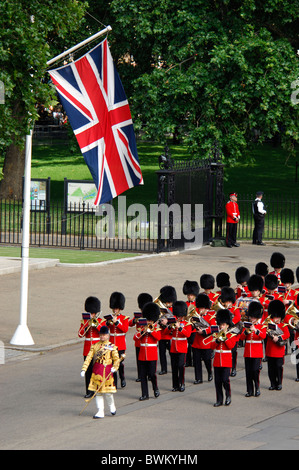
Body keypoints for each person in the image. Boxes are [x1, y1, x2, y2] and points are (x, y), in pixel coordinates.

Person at [80, 325, 121, 419]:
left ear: (108, 335)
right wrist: (84, 369)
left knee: (108, 393)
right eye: (101, 335)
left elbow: (116, 359)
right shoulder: (95, 346)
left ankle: (111, 406)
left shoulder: (112, 347)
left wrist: (115, 367)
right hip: (97, 371)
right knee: (98, 393)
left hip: (107, 371)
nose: (102, 337)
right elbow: (89, 358)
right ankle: (100, 411)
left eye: (104, 335)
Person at [133, 302, 162, 401]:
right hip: (142, 354)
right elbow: (135, 338)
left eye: (150, 320)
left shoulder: (156, 328)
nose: (149, 322)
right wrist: (143, 332)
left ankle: (155, 388)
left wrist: (151, 331)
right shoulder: (142, 327)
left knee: (152, 374)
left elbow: (158, 337)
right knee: (143, 375)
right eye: (148, 319)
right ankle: (145, 394)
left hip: (152, 354)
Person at [210, 309, 238, 407]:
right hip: (217, 360)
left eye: (223, 325)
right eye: (220, 325)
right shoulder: (216, 334)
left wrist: (225, 338)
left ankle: (228, 396)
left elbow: (230, 346)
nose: (221, 327)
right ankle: (219, 399)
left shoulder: (231, 335)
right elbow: (211, 346)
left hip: (226, 360)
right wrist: (217, 340)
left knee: (225, 380)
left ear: (227, 325)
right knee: (217, 381)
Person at [78, 296, 104, 398]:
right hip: (87, 349)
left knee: (97, 370)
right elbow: (80, 334)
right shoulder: (84, 322)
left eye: (93, 313)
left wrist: (96, 325)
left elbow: (103, 332)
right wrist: (87, 325)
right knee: (88, 371)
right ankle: (89, 391)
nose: (92, 315)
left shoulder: (100, 321)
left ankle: (98, 389)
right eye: (90, 313)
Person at [239, 302, 266, 397]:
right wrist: (246, 332)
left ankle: (257, 388)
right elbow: (241, 338)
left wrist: (256, 330)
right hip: (248, 352)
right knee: (248, 372)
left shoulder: (261, 326)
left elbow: (263, 336)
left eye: (253, 317)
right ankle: (249, 390)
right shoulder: (246, 325)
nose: (251, 319)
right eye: (251, 317)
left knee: (255, 371)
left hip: (257, 352)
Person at [105, 292, 129, 389]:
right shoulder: (110, 318)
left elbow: (125, 329)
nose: (115, 310)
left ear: (120, 309)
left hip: (120, 344)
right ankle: (114, 381)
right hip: (111, 344)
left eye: (117, 309)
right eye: (114, 308)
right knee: (112, 364)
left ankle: (122, 378)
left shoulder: (124, 318)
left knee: (120, 363)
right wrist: (107, 323)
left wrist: (117, 322)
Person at [265, 299, 290, 390]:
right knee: (271, 369)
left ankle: (279, 383)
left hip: (279, 351)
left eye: (278, 317)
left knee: (278, 367)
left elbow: (287, 334)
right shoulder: (268, 325)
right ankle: (272, 383)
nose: (276, 319)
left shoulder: (283, 325)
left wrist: (278, 338)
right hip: (270, 350)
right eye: (275, 317)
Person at [192, 293, 216, 384]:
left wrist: (204, 331)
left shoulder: (211, 317)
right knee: (197, 361)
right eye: (200, 308)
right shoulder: (196, 316)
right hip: (197, 342)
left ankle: (210, 373)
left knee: (207, 360)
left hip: (206, 343)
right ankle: (198, 378)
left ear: (206, 308)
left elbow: (213, 327)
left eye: (202, 308)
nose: (201, 310)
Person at [129, 293, 153, 382]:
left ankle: (150, 374)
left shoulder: (150, 316)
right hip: (139, 340)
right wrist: (135, 320)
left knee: (149, 360)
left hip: (147, 340)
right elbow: (129, 323)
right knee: (139, 360)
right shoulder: (138, 315)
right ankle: (140, 375)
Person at [169, 301, 192, 392]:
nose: (178, 317)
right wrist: (170, 327)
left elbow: (188, 334)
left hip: (182, 347)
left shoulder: (187, 324)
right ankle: (175, 385)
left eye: (180, 316)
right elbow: (167, 333)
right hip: (173, 347)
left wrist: (180, 328)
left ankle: (182, 383)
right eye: (177, 316)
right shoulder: (173, 322)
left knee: (181, 366)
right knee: (174, 367)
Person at [157, 285, 177, 375]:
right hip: (162, 334)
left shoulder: (175, 309)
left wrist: (167, 322)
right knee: (162, 353)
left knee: (172, 354)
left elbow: (176, 320)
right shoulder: (162, 309)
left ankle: (174, 367)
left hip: (170, 334)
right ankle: (163, 368)